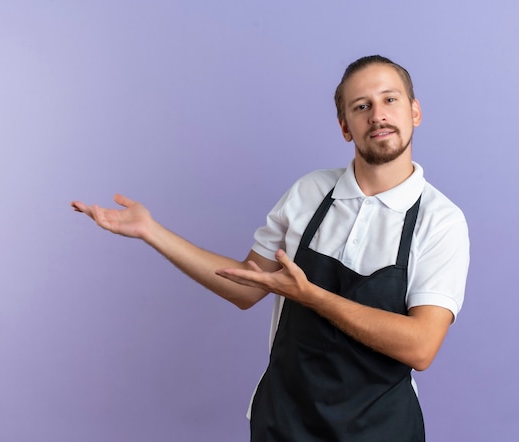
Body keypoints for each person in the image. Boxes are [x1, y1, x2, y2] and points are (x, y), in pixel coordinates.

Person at [71, 55, 469, 441]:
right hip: (284, 424)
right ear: (345, 126)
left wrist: (311, 296)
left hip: (381, 432)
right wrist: (151, 231)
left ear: (414, 112)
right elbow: (247, 287)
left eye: (390, 99)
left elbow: (420, 346)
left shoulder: (440, 221)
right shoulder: (309, 192)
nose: (378, 115)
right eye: (361, 106)